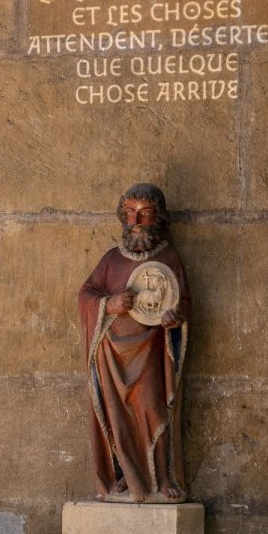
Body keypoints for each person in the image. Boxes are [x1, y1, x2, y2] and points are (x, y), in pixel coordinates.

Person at [77, 183, 191, 503]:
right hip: (113, 354)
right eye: (130, 214)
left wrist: (176, 316)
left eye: (144, 214)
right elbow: (86, 295)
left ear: (159, 218)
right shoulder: (111, 260)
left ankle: (163, 478)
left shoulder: (169, 258)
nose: (136, 222)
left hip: (151, 354)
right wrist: (109, 304)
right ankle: (125, 476)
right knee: (118, 416)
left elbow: (186, 303)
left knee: (154, 408)